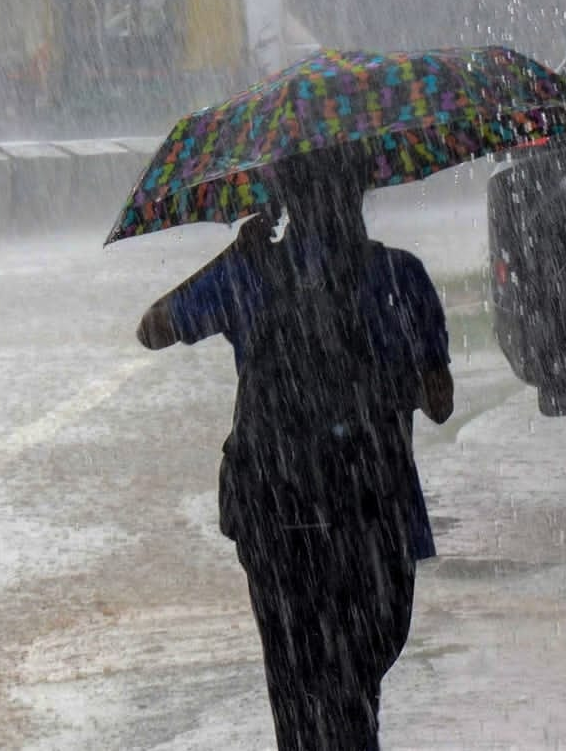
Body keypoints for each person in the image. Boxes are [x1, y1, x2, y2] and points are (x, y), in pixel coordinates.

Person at [135, 157, 454, 751]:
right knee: (354, 689)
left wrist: (233, 259)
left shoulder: (249, 274)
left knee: (294, 687)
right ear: (359, 194)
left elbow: (152, 327)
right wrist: (378, 384)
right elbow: (439, 403)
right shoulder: (399, 277)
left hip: (276, 517)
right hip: (373, 517)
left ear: (280, 201)